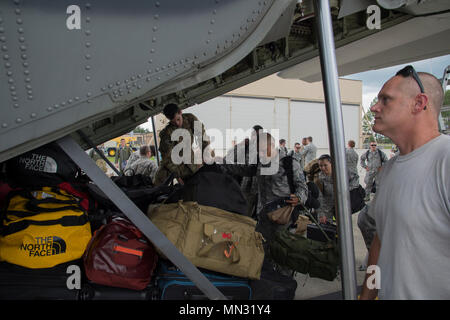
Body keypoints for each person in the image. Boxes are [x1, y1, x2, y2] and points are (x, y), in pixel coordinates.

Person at [360, 65, 449, 300]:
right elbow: (380, 243)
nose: (374, 108)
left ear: (419, 103)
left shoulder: (446, 160)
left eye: (385, 99)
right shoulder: (388, 170)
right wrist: (368, 295)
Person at [154, 103, 214, 185]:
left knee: (199, 183)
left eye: (178, 119)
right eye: (174, 122)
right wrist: (177, 176)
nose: (177, 124)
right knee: (158, 184)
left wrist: (206, 155)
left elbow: (203, 138)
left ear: (180, 112)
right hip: (172, 164)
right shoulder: (167, 133)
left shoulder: (190, 119)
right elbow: (166, 158)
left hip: (190, 160)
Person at [315, 154, 359, 224]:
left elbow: (355, 179)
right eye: (320, 165)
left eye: (325, 165)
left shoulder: (341, 173)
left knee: (344, 227)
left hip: (342, 205)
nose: (323, 168)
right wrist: (321, 214)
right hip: (327, 208)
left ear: (331, 164)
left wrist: (346, 190)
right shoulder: (319, 179)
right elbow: (319, 198)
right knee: (327, 228)